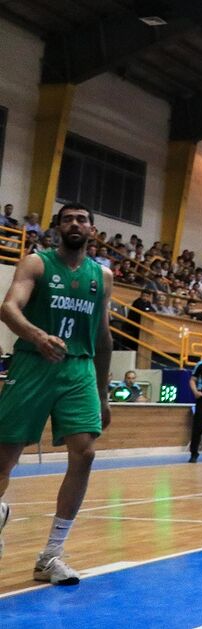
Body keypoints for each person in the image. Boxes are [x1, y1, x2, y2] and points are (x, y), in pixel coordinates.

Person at [0, 202, 114, 585]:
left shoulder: (103, 277)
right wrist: (36, 335)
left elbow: (103, 336)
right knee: (4, 458)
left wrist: (103, 391)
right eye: (68, 219)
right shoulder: (35, 263)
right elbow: (8, 308)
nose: (75, 224)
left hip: (79, 367)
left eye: (82, 219)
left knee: (85, 452)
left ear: (93, 230)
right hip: (34, 362)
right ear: (57, 229)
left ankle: (51, 555)